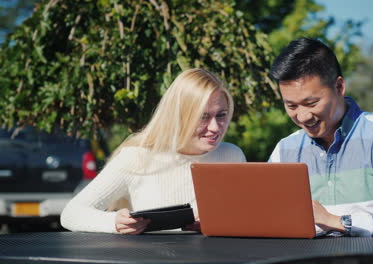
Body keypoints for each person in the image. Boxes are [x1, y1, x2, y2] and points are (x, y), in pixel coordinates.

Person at [268, 38, 373, 260]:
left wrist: (336, 221)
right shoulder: (284, 150)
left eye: (311, 103)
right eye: (291, 106)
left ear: (339, 87)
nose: (303, 116)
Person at [61, 68, 246, 235]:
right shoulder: (136, 158)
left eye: (221, 115)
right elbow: (71, 213)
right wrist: (115, 222)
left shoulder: (232, 156)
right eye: (203, 117)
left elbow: (246, 218)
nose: (215, 127)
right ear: (178, 115)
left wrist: (214, 224)